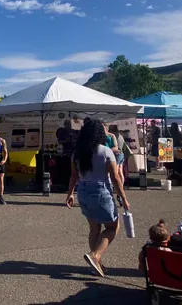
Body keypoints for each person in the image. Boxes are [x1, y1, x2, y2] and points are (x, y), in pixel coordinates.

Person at [66, 119, 130, 278]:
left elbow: (73, 176)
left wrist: (70, 194)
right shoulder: (106, 151)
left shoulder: (77, 153)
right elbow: (115, 177)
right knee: (112, 227)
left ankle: (96, 264)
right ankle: (95, 256)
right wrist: (123, 197)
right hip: (101, 191)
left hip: (83, 191)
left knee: (94, 229)